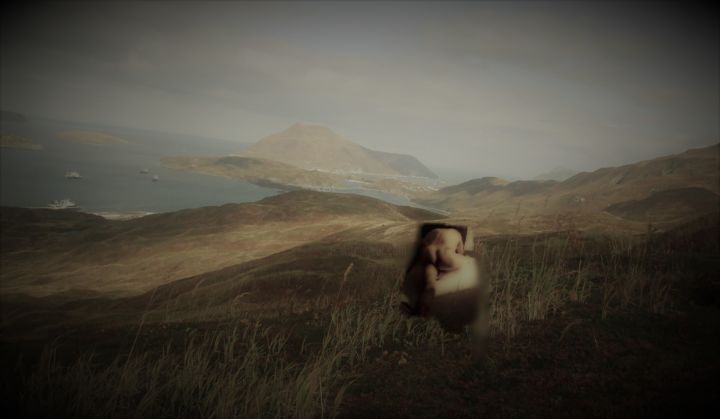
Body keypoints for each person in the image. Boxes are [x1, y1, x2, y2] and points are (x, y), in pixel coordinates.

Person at [400, 224, 490, 334]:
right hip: (446, 254)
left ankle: (430, 286)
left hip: (428, 251)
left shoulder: (433, 232)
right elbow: (460, 250)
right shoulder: (456, 233)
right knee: (463, 262)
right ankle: (442, 273)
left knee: (430, 268)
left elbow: (421, 245)